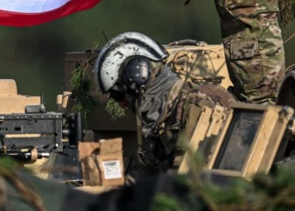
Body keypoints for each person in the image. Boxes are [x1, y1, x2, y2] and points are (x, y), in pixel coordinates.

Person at [94, 31, 236, 176]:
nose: (121, 105)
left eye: (118, 96)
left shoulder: (199, 105)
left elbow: (188, 179)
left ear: (139, 77)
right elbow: (142, 177)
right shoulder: (160, 123)